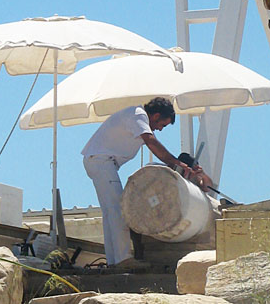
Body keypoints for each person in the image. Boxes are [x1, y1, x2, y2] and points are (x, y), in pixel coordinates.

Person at [81, 97, 210, 267]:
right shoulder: (138, 115)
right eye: (162, 125)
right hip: (101, 161)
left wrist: (174, 165)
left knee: (109, 213)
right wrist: (175, 163)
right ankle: (123, 259)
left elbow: (153, 143)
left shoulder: (136, 116)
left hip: (97, 160)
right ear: (156, 116)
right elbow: (151, 142)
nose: (159, 129)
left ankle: (114, 260)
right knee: (118, 210)